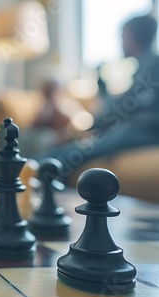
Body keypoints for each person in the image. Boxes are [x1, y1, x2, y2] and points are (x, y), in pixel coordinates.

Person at [34, 15, 159, 181]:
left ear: (134, 37)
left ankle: (38, 170)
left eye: (123, 36)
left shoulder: (153, 65)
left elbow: (123, 107)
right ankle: (38, 166)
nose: (121, 43)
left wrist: (90, 128)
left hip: (146, 130)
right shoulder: (146, 66)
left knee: (86, 149)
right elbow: (125, 105)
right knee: (86, 145)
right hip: (138, 128)